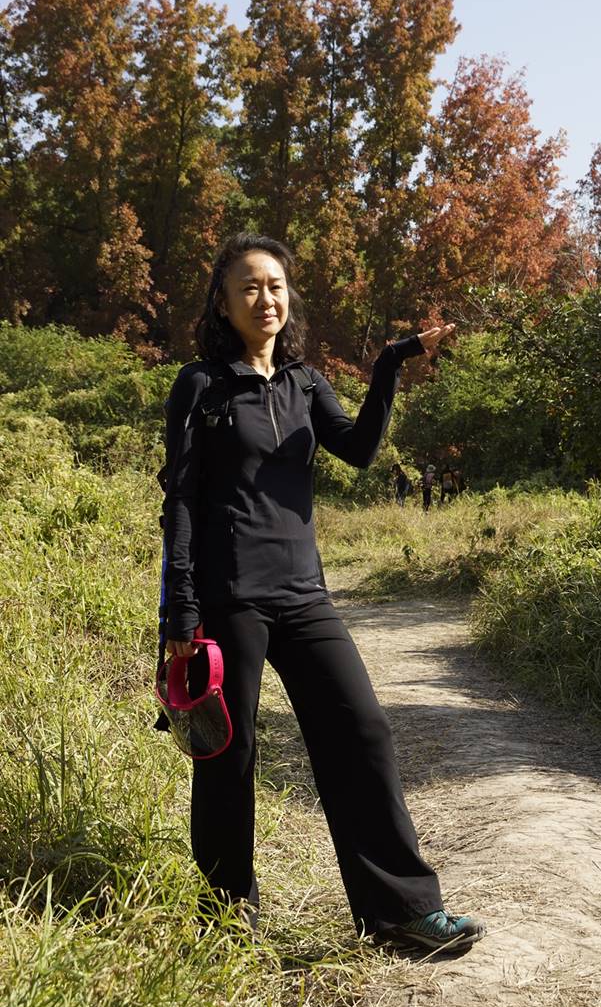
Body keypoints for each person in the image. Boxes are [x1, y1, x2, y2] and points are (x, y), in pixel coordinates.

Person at [159, 232, 486, 953]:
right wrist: (180, 608)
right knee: (228, 757)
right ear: (222, 302)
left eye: (275, 285)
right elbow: (179, 499)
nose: (265, 298)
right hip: (228, 597)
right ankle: (225, 926)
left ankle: (401, 913)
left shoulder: (305, 384)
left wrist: (389, 364)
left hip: (304, 593)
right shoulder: (201, 385)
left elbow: (360, 450)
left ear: (288, 298)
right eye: (249, 286)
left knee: (362, 731)